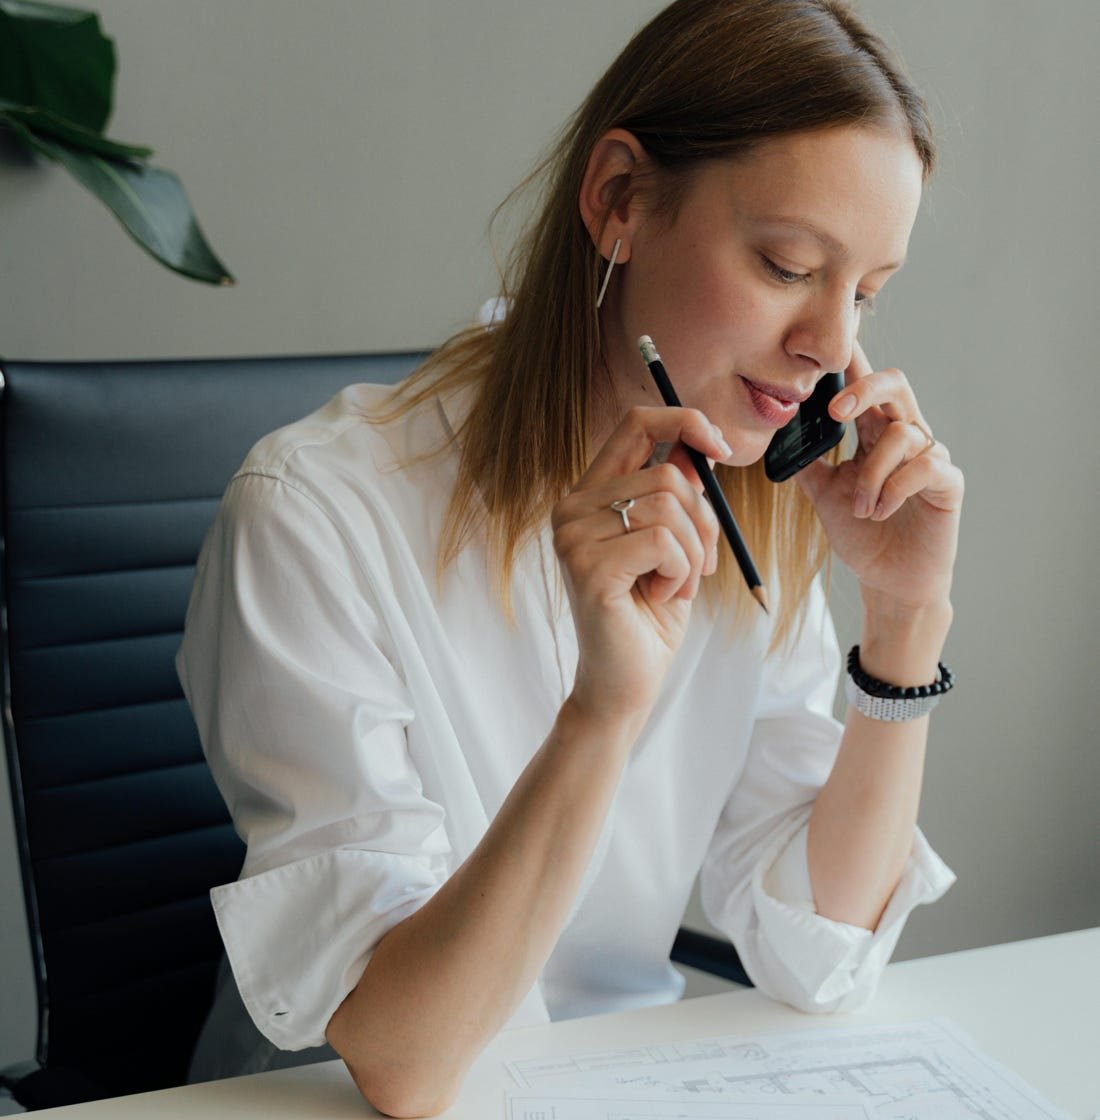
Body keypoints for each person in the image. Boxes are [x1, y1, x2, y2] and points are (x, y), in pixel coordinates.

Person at [177, 0, 964, 1114]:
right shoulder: (316, 511)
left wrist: (901, 620)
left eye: (867, 292)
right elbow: (403, 1063)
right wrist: (599, 714)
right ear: (619, 202)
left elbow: (817, 952)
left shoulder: (749, 514)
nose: (831, 347)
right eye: (788, 263)